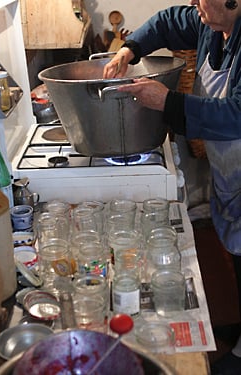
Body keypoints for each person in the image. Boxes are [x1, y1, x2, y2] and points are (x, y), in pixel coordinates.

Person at [103, 1, 241, 374]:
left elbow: (236, 114)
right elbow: (165, 22)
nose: (195, 4)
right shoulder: (211, 24)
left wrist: (167, 101)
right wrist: (129, 50)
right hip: (232, 168)